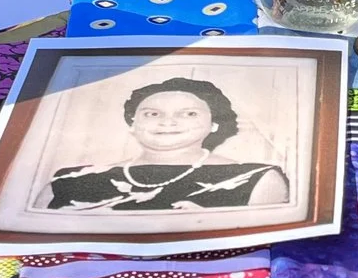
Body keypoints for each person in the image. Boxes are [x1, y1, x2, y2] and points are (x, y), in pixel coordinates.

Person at [43, 77, 289, 210]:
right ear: (132, 123)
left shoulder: (256, 179)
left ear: (214, 123)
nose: (167, 122)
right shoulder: (70, 181)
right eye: (152, 113)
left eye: (188, 113)